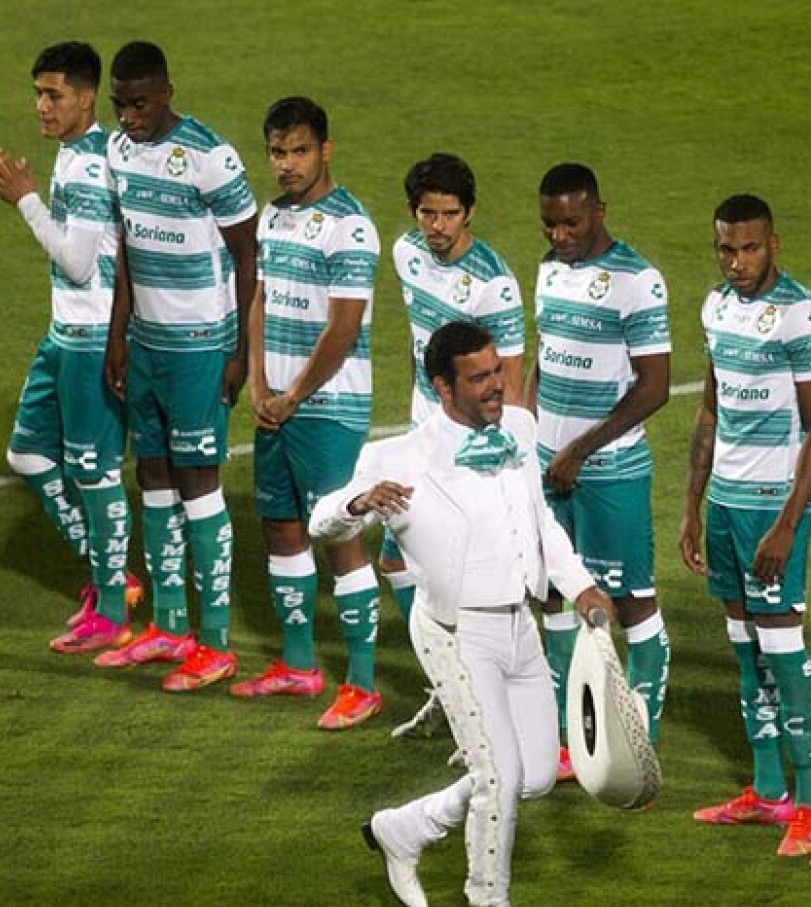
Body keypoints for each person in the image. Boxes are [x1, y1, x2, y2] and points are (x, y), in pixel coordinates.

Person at [309, 320, 615, 907]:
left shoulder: (521, 431)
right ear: (441, 385)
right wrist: (361, 502)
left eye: (496, 373)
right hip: (454, 632)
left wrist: (581, 585)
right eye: (478, 379)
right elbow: (321, 521)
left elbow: (541, 523)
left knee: (530, 777)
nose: (495, 387)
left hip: (521, 628)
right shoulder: (398, 457)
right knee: (499, 778)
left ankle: (405, 828)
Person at [95, 40, 257, 691]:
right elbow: (128, 249)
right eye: (120, 104)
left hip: (198, 348)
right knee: (153, 478)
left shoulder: (210, 157)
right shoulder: (116, 151)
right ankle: (168, 626)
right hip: (147, 346)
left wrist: (240, 351)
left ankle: (214, 640)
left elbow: (249, 257)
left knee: (198, 483)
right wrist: (118, 336)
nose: (129, 115)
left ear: (166, 91)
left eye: (139, 102)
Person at [680, 194, 811, 858]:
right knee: (745, 650)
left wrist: (786, 524)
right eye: (725, 249)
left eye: (748, 248)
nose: (736, 261)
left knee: (784, 653)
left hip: (775, 507)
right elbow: (710, 412)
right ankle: (769, 792)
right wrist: (692, 506)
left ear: (774, 243)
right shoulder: (716, 307)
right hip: (725, 504)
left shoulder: (801, 315)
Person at [0, 41, 140, 654]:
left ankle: (110, 611)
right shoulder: (78, 152)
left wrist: (23, 196)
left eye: (54, 95)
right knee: (28, 455)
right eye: (37, 94)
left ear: (87, 96)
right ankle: (110, 576)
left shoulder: (89, 164)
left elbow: (76, 262)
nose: (41, 107)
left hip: (92, 336)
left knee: (94, 474)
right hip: (63, 335)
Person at [231, 96, 382, 730]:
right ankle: (298, 666)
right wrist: (263, 386)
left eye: (298, 150)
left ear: (326, 149)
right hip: (279, 406)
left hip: (329, 409)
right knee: (283, 528)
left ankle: (364, 683)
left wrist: (293, 396)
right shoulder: (273, 217)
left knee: (337, 537)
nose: (287, 164)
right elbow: (262, 299)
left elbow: (343, 329)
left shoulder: (350, 227)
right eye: (277, 152)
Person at [533, 162, 672, 769]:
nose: (560, 235)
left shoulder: (637, 280)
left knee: (631, 601)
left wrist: (579, 450)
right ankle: (573, 740)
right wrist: (528, 433)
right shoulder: (548, 270)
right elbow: (546, 357)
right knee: (556, 597)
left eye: (571, 221)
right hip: (546, 464)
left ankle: (640, 739)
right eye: (549, 224)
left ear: (597, 208)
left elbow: (655, 387)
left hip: (608, 470)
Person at [381, 152, 526, 623]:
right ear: (412, 211)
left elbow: (510, 382)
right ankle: (444, 672)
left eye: (449, 214)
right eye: (428, 213)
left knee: (466, 574)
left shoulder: (494, 283)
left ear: (469, 213)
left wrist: (502, 457)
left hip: (468, 443)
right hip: (421, 431)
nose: (437, 226)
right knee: (396, 559)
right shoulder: (406, 252)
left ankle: (475, 673)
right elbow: (417, 339)